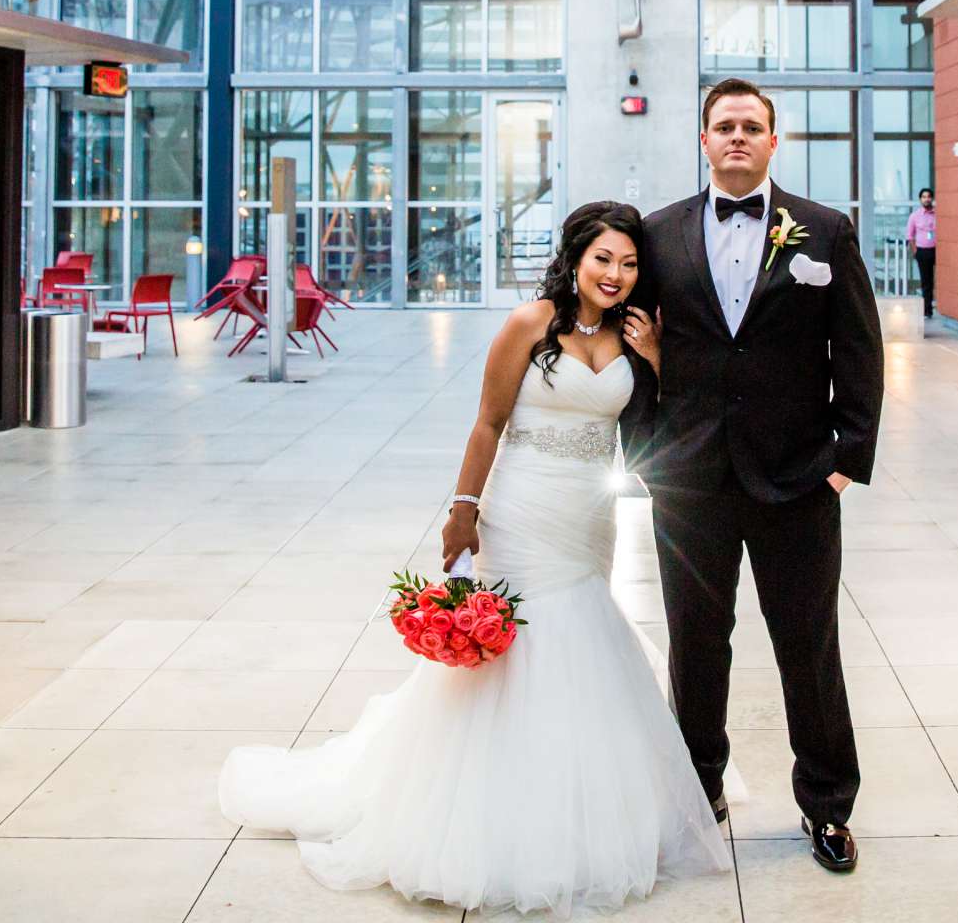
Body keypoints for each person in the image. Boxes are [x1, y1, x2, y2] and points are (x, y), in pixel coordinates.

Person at [218, 202, 728, 917]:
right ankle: (490, 811)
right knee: (520, 647)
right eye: (603, 259)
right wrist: (463, 508)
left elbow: (657, 431)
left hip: (589, 514)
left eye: (629, 263)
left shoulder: (634, 333)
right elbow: (488, 421)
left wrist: (656, 363)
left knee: (584, 638)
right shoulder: (529, 324)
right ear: (576, 259)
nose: (615, 275)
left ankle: (571, 803)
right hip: (521, 509)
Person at [620, 78, 885, 877]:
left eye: (752, 126)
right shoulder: (658, 236)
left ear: (775, 142)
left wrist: (845, 463)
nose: (737, 137)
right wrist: (648, 454)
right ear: (703, 141)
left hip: (799, 480)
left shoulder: (825, 232)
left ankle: (828, 805)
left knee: (808, 647)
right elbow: (635, 351)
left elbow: (861, 353)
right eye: (723, 126)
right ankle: (700, 788)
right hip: (691, 479)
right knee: (697, 646)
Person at [906, 186, 937, 318]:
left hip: (937, 251)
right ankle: (927, 310)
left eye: (929, 197)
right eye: (924, 197)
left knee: (938, 281)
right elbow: (910, 236)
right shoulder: (915, 216)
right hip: (923, 251)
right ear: (920, 199)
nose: (927, 199)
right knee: (926, 281)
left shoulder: (937, 214)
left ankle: (935, 307)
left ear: (932, 199)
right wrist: (915, 252)